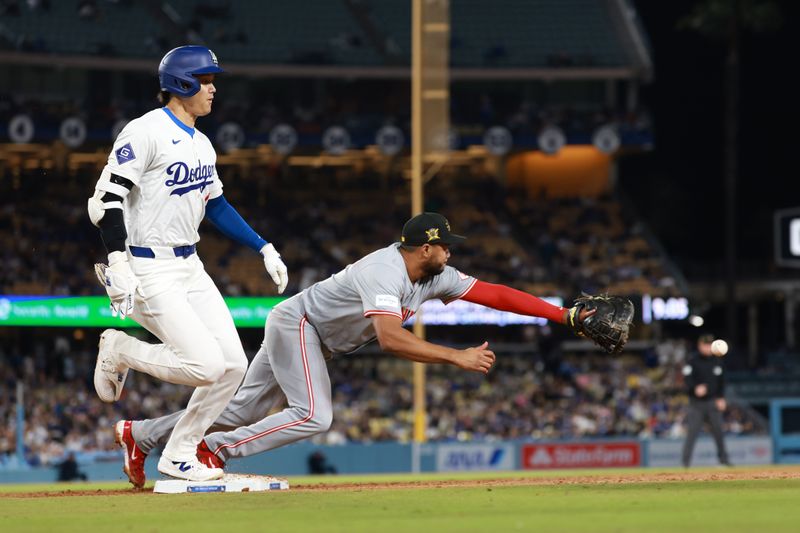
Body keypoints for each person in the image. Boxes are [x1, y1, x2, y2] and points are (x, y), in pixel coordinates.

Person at [113, 212, 599, 488]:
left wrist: (563, 315)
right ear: (423, 249)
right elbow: (389, 339)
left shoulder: (435, 276)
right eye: (444, 246)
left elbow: (494, 293)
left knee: (239, 406)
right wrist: (457, 357)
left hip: (310, 333)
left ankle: (142, 434)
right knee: (313, 415)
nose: (451, 252)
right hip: (301, 325)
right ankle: (211, 451)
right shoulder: (385, 271)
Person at [87, 45, 288, 483]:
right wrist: (117, 258)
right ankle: (120, 348)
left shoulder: (202, 143)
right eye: (206, 79)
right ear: (182, 84)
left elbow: (216, 206)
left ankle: (178, 453)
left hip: (189, 265)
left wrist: (262, 246)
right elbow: (106, 201)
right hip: (147, 266)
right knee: (206, 366)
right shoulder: (145, 132)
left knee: (233, 365)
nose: (213, 88)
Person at [681, 333, 731, 467]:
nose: (708, 347)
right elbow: (686, 379)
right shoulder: (692, 360)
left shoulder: (717, 361)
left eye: (710, 345)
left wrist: (721, 398)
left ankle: (724, 460)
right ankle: (685, 463)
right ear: (700, 345)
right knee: (692, 433)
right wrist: (694, 388)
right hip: (696, 404)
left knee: (719, 432)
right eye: (705, 345)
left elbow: (722, 382)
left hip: (713, 402)